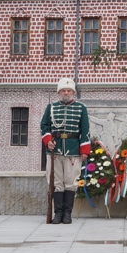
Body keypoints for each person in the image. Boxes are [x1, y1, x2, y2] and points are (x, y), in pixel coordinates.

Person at [40, 78, 90, 224]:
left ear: (73, 92)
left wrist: (84, 150)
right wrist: (48, 141)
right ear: (59, 92)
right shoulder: (51, 108)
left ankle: (67, 213)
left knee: (71, 182)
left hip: (73, 149)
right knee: (56, 182)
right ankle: (58, 213)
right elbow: (44, 126)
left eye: (69, 90)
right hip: (54, 150)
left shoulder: (81, 108)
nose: (66, 93)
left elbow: (85, 130)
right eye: (63, 90)